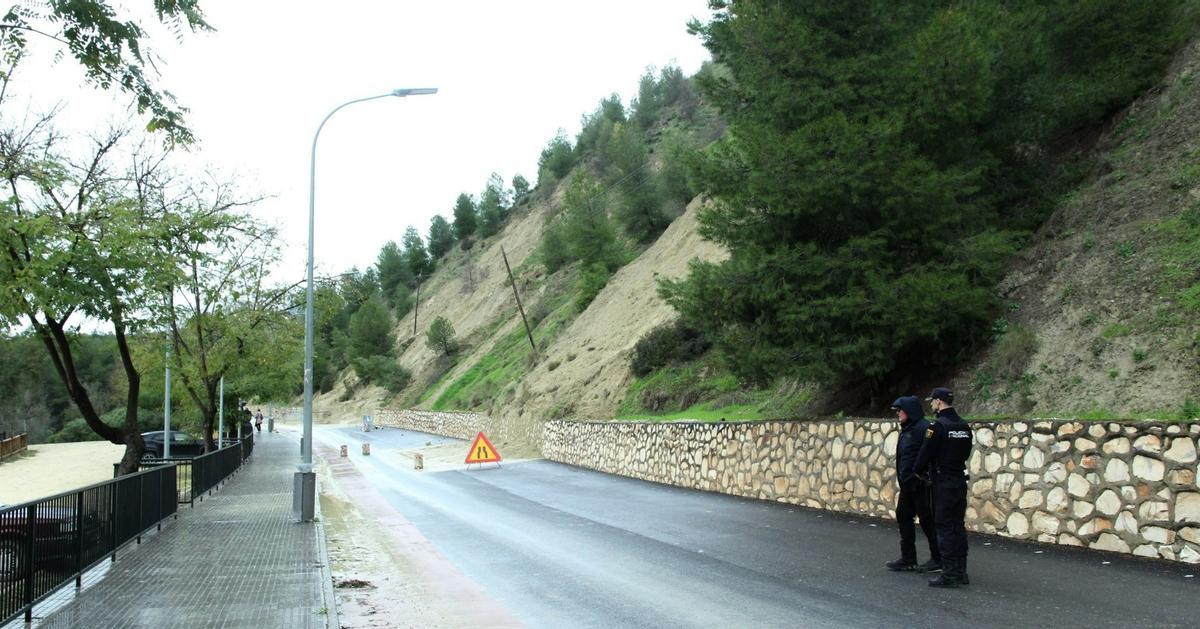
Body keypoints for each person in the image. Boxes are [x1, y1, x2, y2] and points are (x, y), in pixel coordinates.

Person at [913, 387, 973, 588]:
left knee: (944, 526)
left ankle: (949, 574)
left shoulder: (937, 426)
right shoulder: (963, 426)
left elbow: (926, 452)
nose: (931, 404)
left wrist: (917, 471)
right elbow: (966, 452)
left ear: (939, 402)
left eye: (932, 401)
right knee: (957, 526)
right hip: (959, 480)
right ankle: (961, 571)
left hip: (943, 481)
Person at [885, 395, 941, 573]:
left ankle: (938, 558)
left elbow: (929, 454)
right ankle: (908, 558)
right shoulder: (907, 429)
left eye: (900, 410)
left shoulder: (923, 428)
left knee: (927, 521)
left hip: (921, 484)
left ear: (908, 411)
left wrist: (920, 475)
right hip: (907, 484)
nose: (898, 414)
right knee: (903, 516)